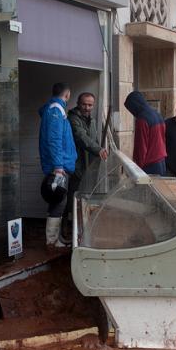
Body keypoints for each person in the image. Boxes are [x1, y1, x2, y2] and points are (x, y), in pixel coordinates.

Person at [63, 92, 108, 241]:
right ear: (78, 103)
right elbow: (82, 138)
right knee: (73, 196)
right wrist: (99, 150)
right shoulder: (73, 119)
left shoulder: (92, 119)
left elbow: (93, 139)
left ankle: (83, 227)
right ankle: (67, 227)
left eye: (90, 105)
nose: (87, 107)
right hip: (77, 164)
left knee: (86, 195)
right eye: (84, 104)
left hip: (90, 165)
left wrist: (99, 153)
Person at [38, 82, 77, 247]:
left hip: (59, 164)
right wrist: (59, 167)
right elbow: (54, 140)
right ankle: (52, 242)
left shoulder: (52, 108)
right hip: (59, 166)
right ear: (67, 95)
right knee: (59, 201)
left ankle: (54, 239)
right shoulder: (56, 109)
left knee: (57, 201)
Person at [123, 91, 167, 175]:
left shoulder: (142, 119)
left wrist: (137, 169)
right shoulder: (157, 114)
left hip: (149, 164)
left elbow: (141, 147)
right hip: (161, 161)